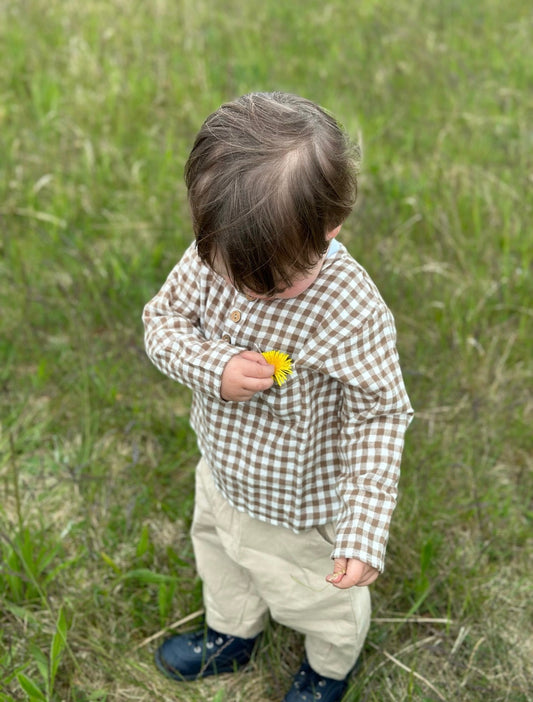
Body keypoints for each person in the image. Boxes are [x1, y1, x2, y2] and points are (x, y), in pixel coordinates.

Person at [143, 91, 413, 702]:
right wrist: (213, 364)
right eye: (231, 271)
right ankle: (231, 631)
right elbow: (161, 322)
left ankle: (328, 666)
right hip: (221, 471)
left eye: (276, 281)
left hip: (301, 505)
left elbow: (380, 413)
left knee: (320, 598)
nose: (248, 293)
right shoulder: (214, 257)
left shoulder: (351, 309)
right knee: (221, 557)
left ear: (330, 228)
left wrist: (364, 528)